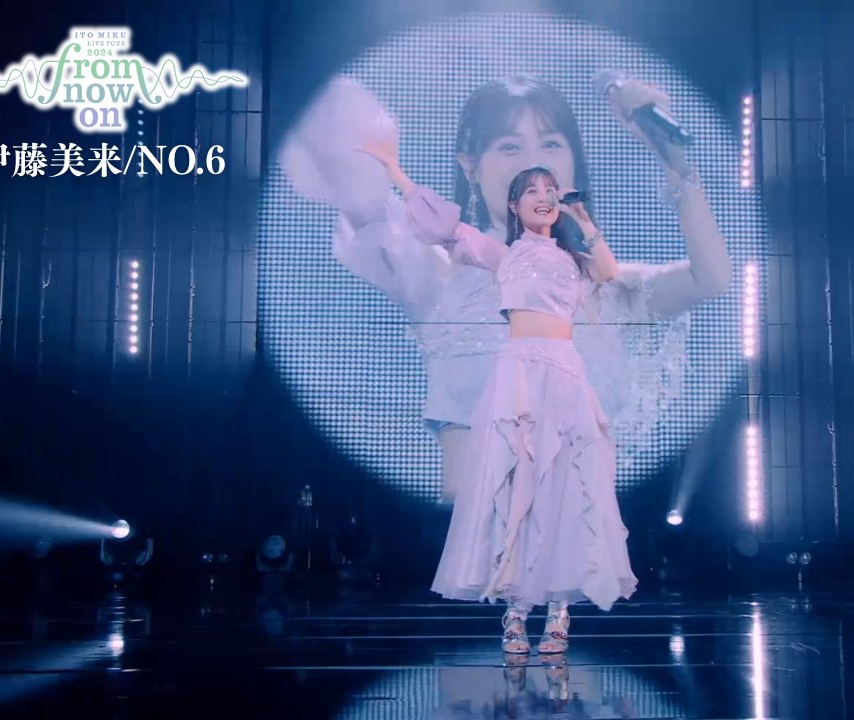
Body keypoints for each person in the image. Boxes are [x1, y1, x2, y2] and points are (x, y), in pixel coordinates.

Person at [280, 74, 732, 503]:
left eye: (550, 144)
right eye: (509, 146)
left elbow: (710, 278)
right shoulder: (441, 273)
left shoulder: (609, 287)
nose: (532, 163)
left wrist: (676, 162)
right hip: (476, 539)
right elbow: (365, 203)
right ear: (470, 164)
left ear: (572, 164)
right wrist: (355, 142)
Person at [363, 128, 635, 650]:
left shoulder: (573, 261)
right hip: (518, 378)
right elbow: (441, 226)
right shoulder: (503, 254)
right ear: (514, 205)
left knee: (567, 489)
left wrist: (582, 220)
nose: (543, 196)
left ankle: (559, 609)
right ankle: (516, 608)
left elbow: (608, 271)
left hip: (565, 376)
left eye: (549, 189)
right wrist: (396, 173)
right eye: (532, 190)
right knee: (516, 491)